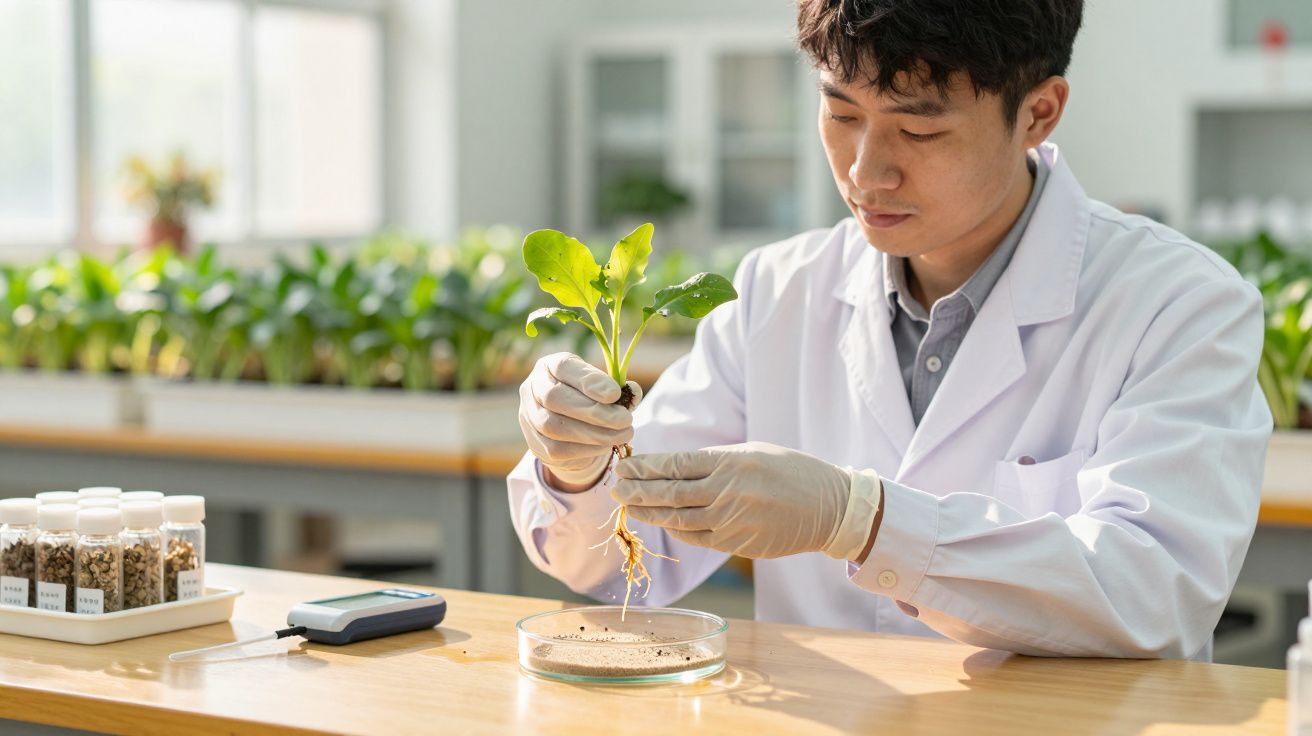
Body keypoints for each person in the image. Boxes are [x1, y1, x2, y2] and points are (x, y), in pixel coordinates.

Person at [507, 0, 1271, 659]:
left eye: (919, 129)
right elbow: (616, 571)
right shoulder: (778, 291)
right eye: (841, 113)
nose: (867, 172)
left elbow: (1152, 595)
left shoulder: (1180, 304)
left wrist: (862, 521)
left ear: (1038, 112)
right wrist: (576, 469)